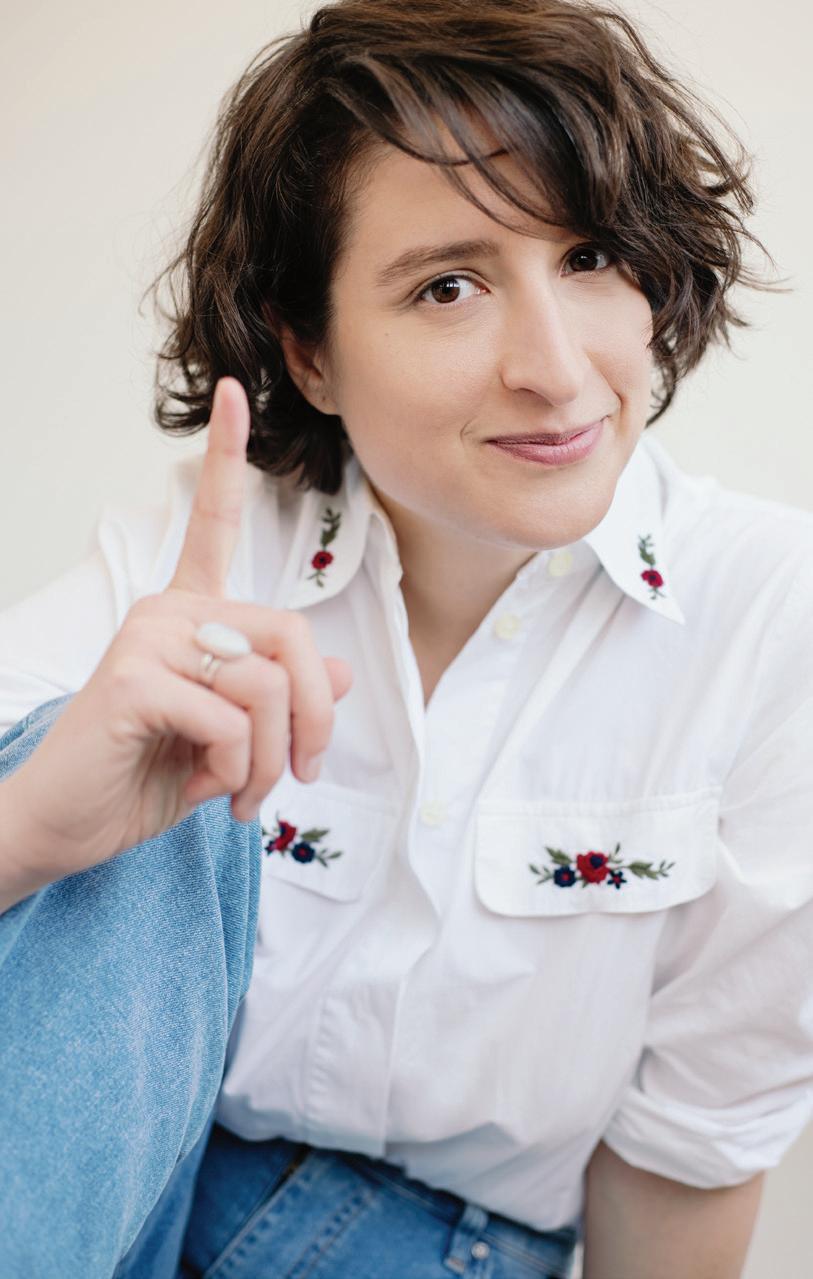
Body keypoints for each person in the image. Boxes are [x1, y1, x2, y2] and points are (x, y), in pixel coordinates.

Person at [1, 0, 811, 1275]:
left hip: (437, 1247)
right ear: (309, 352)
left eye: (593, 255)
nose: (557, 369)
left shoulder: (770, 612)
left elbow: (687, 1155)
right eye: (449, 286)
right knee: (107, 735)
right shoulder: (195, 564)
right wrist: (35, 825)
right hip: (116, 1200)